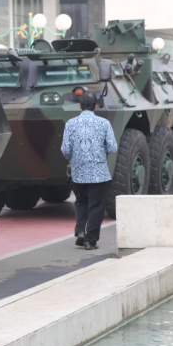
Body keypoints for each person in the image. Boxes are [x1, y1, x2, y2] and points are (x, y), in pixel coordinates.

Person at [60, 92, 117, 250]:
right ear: (96, 106)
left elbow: (65, 149)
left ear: (79, 105)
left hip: (78, 173)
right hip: (99, 174)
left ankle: (80, 231)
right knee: (96, 206)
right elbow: (112, 147)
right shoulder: (104, 123)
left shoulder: (71, 123)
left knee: (81, 202)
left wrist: (75, 159)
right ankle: (90, 241)